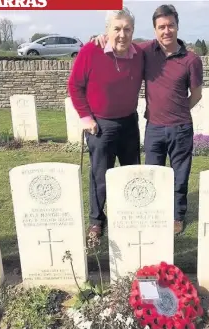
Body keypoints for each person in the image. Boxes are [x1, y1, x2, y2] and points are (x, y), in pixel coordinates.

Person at [93, 4, 203, 235]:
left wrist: (179, 111)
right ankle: (155, 210)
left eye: (170, 25)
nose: (166, 31)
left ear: (177, 26)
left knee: (180, 175)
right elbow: (120, 44)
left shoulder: (192, 60)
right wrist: (102, 38)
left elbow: (197, 94)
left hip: (181, 128)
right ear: (155, 30)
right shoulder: (144, 52)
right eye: (161, 27)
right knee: (153, 175)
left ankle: (177, 215)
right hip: (153, 127)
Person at [68, 8, 144, 239]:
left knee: (132, 173)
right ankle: (96, 220)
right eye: (117, 29)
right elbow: (75, 86)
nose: (122, 34)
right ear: (107, 31)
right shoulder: (91, 50)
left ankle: (132, 212)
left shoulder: (140, 53)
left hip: (129, 123)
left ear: (133, 31)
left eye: (127, 29)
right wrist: (86, 117)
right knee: (100, 175)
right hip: (100, 126)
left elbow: (160, 46)